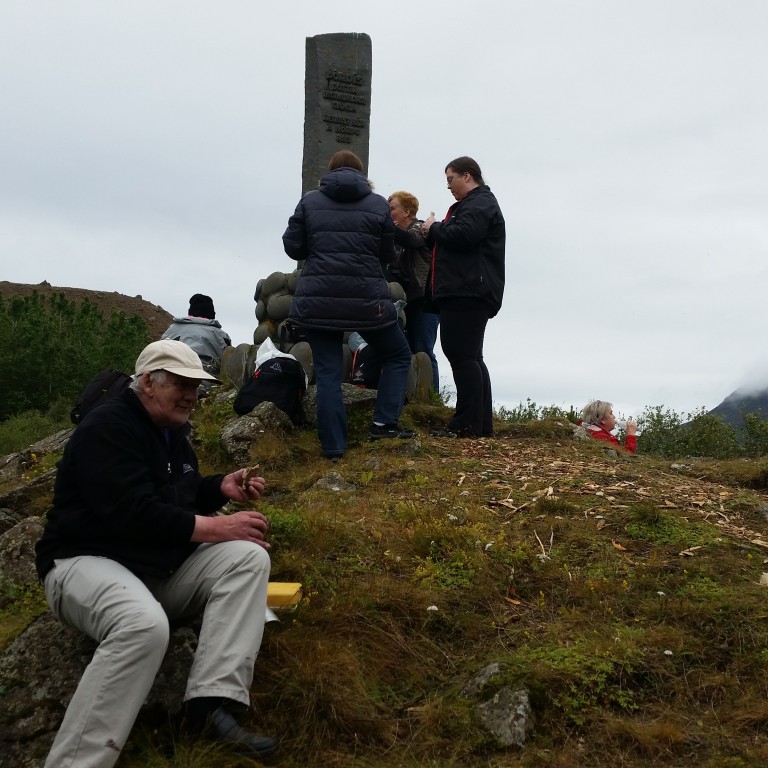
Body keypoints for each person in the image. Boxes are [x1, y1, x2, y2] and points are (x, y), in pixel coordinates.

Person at [34, 339, 278, 767]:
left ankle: (211, 705)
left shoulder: (172, 433)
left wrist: (218, 487)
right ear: (148, 382)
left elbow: (178, 496)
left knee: (249, 557)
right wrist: (216, 527)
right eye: (182, 385)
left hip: (153, 569)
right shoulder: (107, 427)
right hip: (83, 563)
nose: (192, 396)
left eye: (196, 387)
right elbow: (132, 512)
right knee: (142, 625)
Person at [282, 149, 413, 460]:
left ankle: (333, 448)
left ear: (329, 171)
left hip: (319, 300)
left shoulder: (310, 201)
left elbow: (293, 247)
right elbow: (387, 253)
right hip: (366, 299)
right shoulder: (378, 204)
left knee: (328, 373)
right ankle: (383, 423)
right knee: (398, 354)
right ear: (361, 173)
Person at [421, 156, 505, 438]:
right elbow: (459, 240)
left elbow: (465, 234)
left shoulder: (479, 203)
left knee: (461, 355)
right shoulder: (477, 204)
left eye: (450, 179)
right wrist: (433, 233)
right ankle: (479, 425)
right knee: (471, 356)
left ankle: (466, 425)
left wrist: (434, 227)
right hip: (470, 290)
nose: (448, 186)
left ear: (467, 176)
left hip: (467, 290)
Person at [387, 190, 440, 391]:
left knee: (423, 350)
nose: (389, 213)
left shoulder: (421, 228)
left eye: (392, 209)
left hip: (424, 300)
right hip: (403, 302)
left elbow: (411, 240)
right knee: (405, 350)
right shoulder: (394, 238)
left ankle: (431, 397)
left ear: (407, 211)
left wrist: (386, 227)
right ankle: (409, 394)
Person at [161, 293, 231, 376]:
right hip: (208, 379)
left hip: (174, 377)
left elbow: (159, 352)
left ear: (190, 311)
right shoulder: (222, 336)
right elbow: (228, 361)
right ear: (212, 313)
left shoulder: (172, 330)